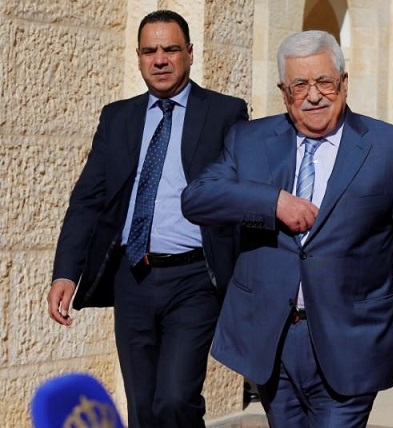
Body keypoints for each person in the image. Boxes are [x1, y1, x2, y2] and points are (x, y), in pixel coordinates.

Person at [181, 30, 393, 427]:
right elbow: (196, 198)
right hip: (272, 341)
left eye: (324, 82)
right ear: (284, 92)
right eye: (300, 85)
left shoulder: (390, 150)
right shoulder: (249, 140)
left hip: (351, 340)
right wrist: (273, 202)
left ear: (344, 83)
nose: (314, 95)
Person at [46, 9, 248, 428]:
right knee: (142, 407)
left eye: (171, 49)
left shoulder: (225, 113)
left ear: (189, 54)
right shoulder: (117, 118)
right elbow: (87, 200)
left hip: (195, 281)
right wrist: (66, 272)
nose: (160, 59)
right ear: (138, 57)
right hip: (133, 277)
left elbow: (239, 197)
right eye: (150, 51)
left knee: (175, 399)